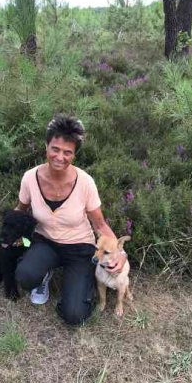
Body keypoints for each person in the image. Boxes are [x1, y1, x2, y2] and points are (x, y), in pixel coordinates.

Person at [15, 114, 127, 325]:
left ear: (74, 155)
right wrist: (10, 236)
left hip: (79, 248)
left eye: (68, 152)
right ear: (46, 147)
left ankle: (75, 283)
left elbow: (100, 225)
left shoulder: (85, 182)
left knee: (75, 315)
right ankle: (45, 273)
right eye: (55, 149)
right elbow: (19, 212)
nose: (60, 157)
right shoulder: (30, 177)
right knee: (24, 277)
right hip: (45, 242)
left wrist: (120, 254)